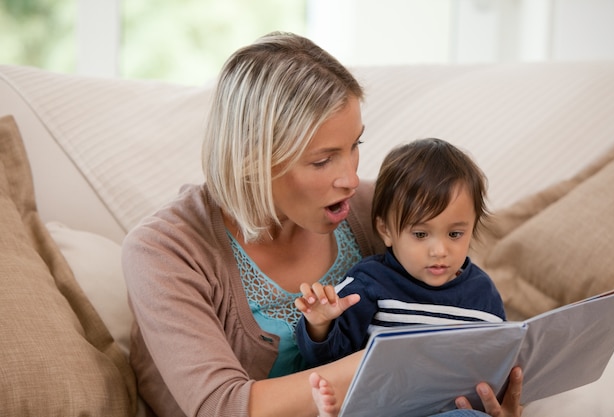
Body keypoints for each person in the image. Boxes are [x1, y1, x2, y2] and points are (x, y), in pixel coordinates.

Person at [121, 31, 524, 417]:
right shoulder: (163, 250)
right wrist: (407, 358)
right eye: (322, 160)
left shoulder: (372, 210)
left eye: (355, 146)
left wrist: (482, 391)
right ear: (251, 159)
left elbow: (457, 271)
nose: (349, 178)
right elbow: (222, 407)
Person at [295, 138, 506, 369]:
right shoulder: (369, 283)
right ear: (386, 230)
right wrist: (320, 324)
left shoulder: (483, 294)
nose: (439, 251)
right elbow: (329, 360)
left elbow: (497, 363)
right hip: (386, 402)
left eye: (455, 234)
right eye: (420, 234)